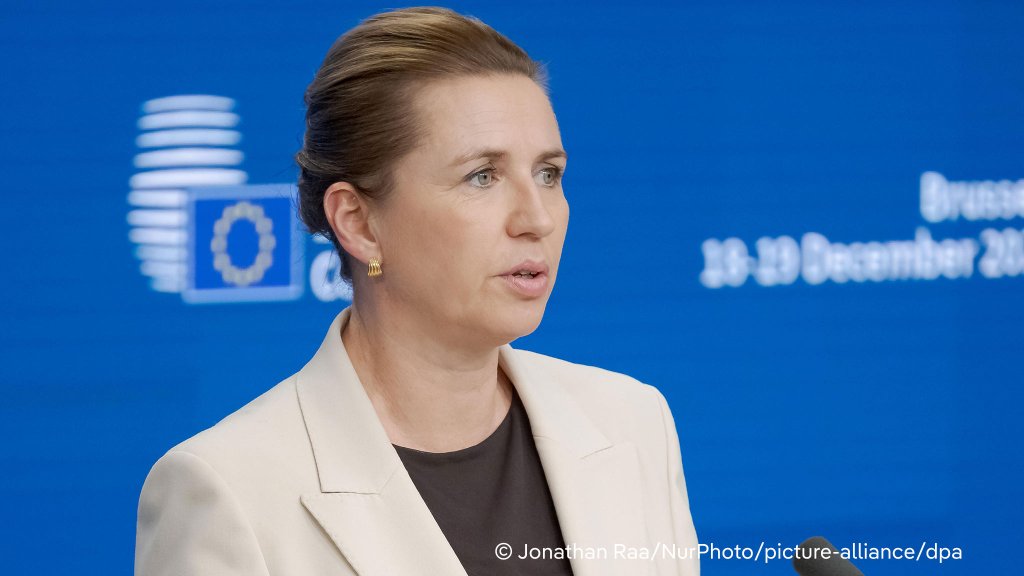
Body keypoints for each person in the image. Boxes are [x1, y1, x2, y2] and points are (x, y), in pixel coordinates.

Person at [135, 7, 699, 576]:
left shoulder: (633, 423)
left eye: (548, 174)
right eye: (483, 176)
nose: (538, 219)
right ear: (358, 222)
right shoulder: (229, 490)